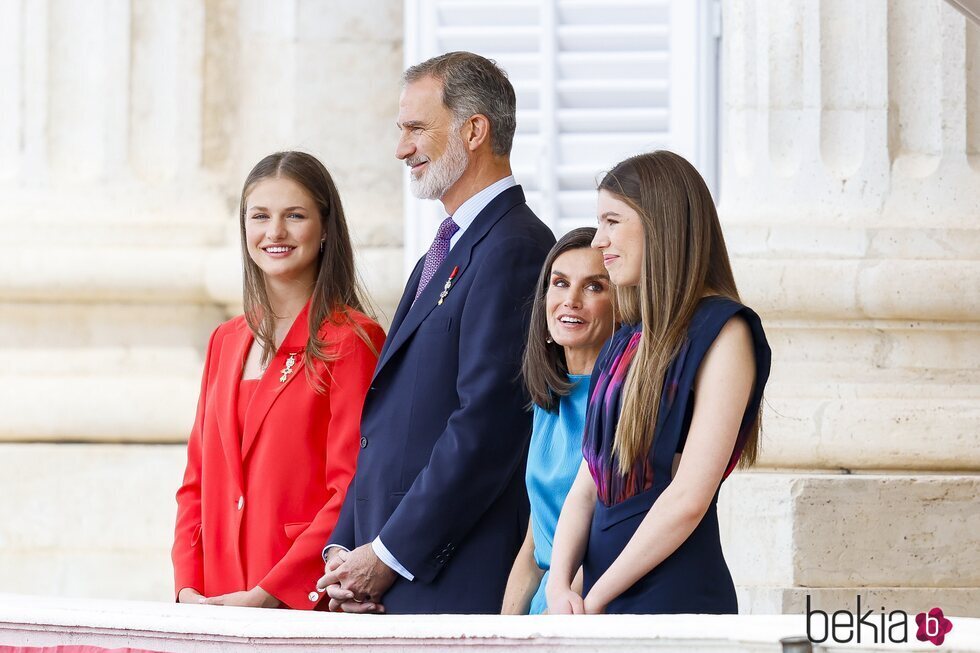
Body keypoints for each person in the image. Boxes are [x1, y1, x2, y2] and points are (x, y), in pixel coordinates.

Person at [316, 51, 555, 614]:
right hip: (392, 582)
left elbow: (486, 426)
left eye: (416, 129)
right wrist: (345, 553)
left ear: (475, 131)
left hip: (452, 580)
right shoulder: (443, 249)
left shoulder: (515, 247)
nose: (401, 149)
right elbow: (388, 425)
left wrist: (389, 555)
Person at [546, 151, 772, 615]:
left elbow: (689, 497)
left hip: (675, 597)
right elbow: (587, 483)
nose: (600, 239)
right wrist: (559, 585)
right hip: (599, 602)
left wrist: (596, 597)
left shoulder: (726, 332)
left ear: (660, 223)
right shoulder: (627, 335)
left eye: (612, 221)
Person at [172, 151, 385, 610]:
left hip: (297, 600)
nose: (275, 232)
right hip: (214, 600)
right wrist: (188, 585)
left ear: (326, 228)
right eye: (260, 216)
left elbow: (351, 485)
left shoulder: (352, 340)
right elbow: (196, 480)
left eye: (295, 216)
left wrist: (270, 593)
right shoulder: (224, 341)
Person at [500, 227, 615, 615]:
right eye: (561, 283)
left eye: (594, 287)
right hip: (543, 610)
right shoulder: (548, 402)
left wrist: (556, 621)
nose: (571, 300)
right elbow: (536, 543)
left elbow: (611, 540)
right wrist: (502, 633)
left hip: (585, 609)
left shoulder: (625, 401)